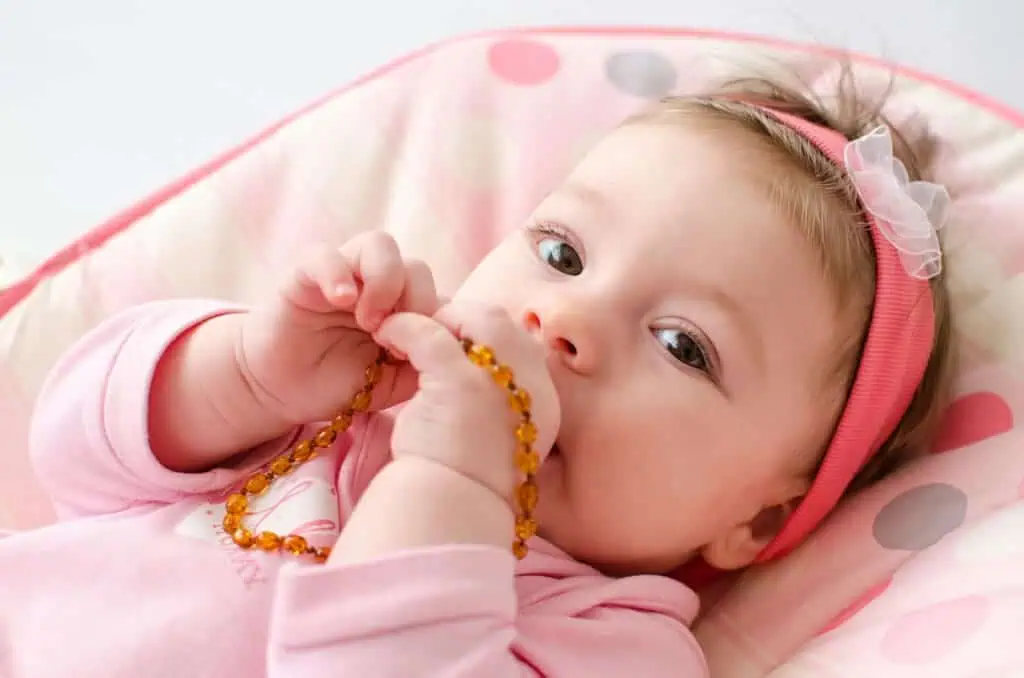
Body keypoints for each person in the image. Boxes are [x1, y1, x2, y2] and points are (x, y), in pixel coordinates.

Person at [0, 72, 955, 677]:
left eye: (683, 345)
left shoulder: (618, 641)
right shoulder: (335, 409)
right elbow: (73, 461)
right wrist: (250, 374)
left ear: (759, 521)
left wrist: (453, 486)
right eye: (562, 253)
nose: (564, 319)